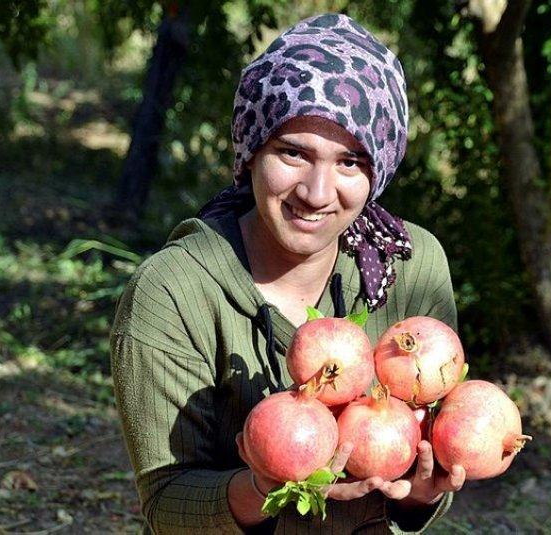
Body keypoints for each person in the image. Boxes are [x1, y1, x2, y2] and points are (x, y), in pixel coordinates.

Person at [110, 13, 466, 534]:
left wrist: (418, 497)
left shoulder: (411, 266)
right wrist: (264, 488)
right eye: (293, 153)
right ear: (250, 152)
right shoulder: (172, 291)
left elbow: (428, 452)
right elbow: (166, 503)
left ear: (380, 172)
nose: (317, 193)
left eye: (350, 163)